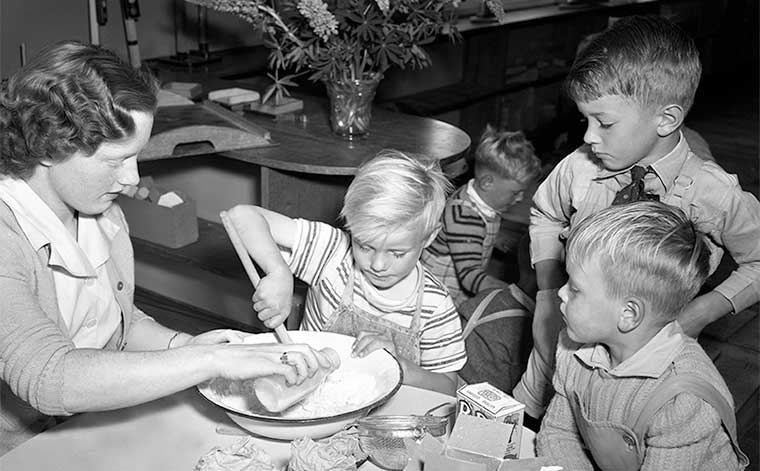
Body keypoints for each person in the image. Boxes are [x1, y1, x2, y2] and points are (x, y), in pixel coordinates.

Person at [0, 40, 332, 455]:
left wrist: (187, 346)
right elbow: (48, 377)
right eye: (115, 161)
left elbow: (118, 325)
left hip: (93, 428)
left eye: (137, 157)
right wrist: (211, 362)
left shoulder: (103, 215)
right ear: (48, 145)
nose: (132, 178)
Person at [513, 14, 760, 422]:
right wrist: (545, 291)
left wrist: (701, 313)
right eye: (585, 120)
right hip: (564, 342)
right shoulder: (579, 169)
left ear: (666, 119)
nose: (589, 137)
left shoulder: (712, 193)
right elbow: (546, 213)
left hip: (647, 373)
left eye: (604, 123)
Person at [226, 150, 468, 395]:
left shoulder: (435, 306)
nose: (378, 264)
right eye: (364, 245)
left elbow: (447, 386)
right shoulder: (333, 254)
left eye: (396, 253)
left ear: (429, 237)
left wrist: (399, 367)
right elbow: (240, 217)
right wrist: (279, 272)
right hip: (311, 398)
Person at [537, 201, 749, 470]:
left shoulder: (683, 399)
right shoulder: (573, 348)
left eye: (575, 289)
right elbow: (559, 432)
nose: (561, 293)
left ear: (629, 314)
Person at [421, 125, 541, 307]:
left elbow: (471, 234)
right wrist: (510, 294)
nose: (521, 198)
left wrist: (496, 238)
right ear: (487, 183)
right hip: (440, 294)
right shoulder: (464, 216)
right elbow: (469, 275)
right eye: (515, 192)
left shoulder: (478, 197)